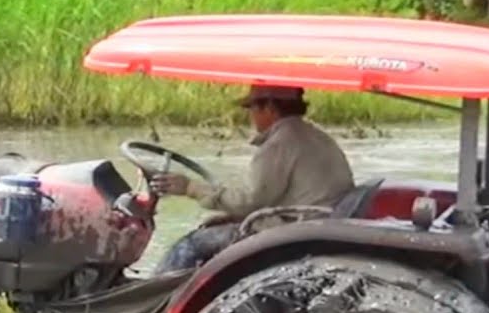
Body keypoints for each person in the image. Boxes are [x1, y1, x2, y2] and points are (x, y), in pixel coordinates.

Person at [151, 84, 355, 272]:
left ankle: (157, 300)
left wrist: (191, 188)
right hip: (320, 227)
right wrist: (238, 217)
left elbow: (250, 201)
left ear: (269, 108)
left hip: (295, 235)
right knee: (218, 229)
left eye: (252, 108)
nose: (250, 115)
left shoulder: (278, 144)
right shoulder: (316, 136)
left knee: (191, 245)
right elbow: (275, 198)